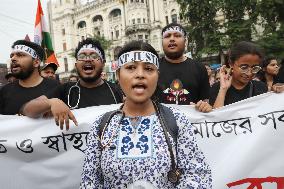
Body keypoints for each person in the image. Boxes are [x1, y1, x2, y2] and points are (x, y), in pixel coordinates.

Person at [80, 41, 211, 188]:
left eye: (148, 68)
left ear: (157, 76)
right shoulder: (102, 125)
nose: (140, 75)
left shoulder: (177, 120)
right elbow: (89, 182)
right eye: (130, 68)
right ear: (118, 75)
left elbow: (198, 176)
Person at [22, 38, 123, 130]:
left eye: (94, 56)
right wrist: (51, 103)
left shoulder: (116, 90)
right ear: (76, 64)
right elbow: (27, 109)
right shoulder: (65, 90)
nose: (88, 59)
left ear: (103, 63)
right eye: (82, 56)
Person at [158, 23, 212, 112]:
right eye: (167, 36)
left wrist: (204, 107)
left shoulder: (199, 68)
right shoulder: (153, 68)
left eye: (177, 35)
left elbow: (205, 102)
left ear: (185, 41)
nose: (172, 39)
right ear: (162, 42)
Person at [0, 40, 59, 115]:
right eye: (12, 56)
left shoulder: (55, 87)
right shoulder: (4, 91)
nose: (13, 59)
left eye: (20, 55)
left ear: (36, 62)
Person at [209, 41, 268, 108]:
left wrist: (279, 92)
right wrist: (223, 89)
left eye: (255, 68)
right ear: (231, 64)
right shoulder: (217, 88)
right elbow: (216, 116)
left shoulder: (261, 87)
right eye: (244, 67)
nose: (249, 73)